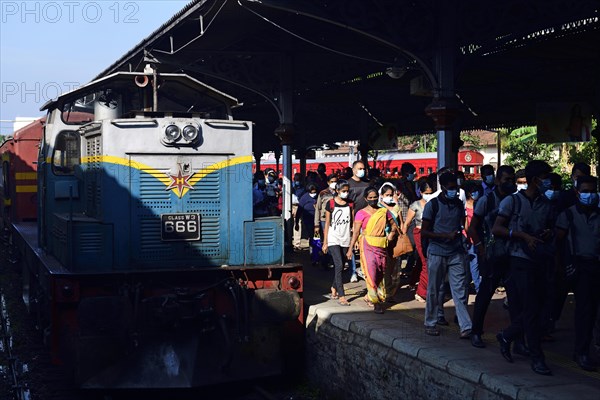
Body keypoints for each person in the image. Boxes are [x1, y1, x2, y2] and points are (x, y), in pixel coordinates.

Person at [492, 160, 554, 376]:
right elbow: (497, 228)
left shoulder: (545, 203)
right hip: (519, 260)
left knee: (538, 308)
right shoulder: (513, 202)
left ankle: (507, 335)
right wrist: (521, 235)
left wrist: (545, 234)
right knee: (530, 307)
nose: (548, 181)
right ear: (535, 179)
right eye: (545, 177)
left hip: (539, 259)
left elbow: (548, 228)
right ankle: (537, 357)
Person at [467, 165, 516, 348]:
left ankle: (516, 339)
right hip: (491, 255)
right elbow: (472, 227)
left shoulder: (515, 200)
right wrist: (480, 248)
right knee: (485, 295)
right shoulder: (486, 201)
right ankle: (476, 332)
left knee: (515, 297)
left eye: (512, 179)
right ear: (497, 181)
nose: (510, 183)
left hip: (510, 255)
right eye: (506, 180)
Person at [555, 175, 599, 371]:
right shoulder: (568, 215)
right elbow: (558, 241)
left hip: (596, 265)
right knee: (584, 311)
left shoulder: (599, 215)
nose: (590, 195)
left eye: (593, 191)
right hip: (579, 268)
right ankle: (581, 352)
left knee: (594, 312)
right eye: (586, 191)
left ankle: (588, 348)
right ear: (577, 193)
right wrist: (560, 266)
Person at [421, 171, 472, 338]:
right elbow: (425, 231)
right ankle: (431, 322)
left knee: (460, 289)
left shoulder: (458, 204)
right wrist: (444, 237)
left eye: (455, 188)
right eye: (450, 188)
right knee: (434, 289)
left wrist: (463, 239)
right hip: (437, 251)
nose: (454, 191)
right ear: (442, 187)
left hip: (456, 251)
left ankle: (466, 326)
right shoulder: (432, 205)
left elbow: (461, 224)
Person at [347, 186, 398, 314]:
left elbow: (393, 224)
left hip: (381, 244)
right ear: (365, 199)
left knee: (380, 273)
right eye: (370, 198)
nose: (373, 200)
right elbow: (356, 232)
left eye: (375, 197)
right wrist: (350, 248)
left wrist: (391, 233)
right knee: (371, 273)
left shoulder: (383, 211)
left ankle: (371, 296)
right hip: (367, 245)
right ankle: (376, 302)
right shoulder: (361, 213)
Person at [322, 180, 354, 306]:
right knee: (339, 265)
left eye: (347, 191)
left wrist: (353, 241)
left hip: (345, 238)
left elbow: (352, 223)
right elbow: (327, 224)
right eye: (343, 191)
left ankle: (334, 286)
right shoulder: (330, 204)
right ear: (337, 191)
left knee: (343, 264)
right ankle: (342, 295)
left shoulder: (350, 204)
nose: (346, 193)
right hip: (333, 238)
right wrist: (325, 242)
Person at [404, 179, 436, 302]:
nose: (428, 195)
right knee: (426, 263)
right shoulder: (415, 205)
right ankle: (421, 292)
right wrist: (404, 238)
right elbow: (406, 223)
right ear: (421, 192)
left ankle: (415, 283)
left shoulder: (433, 204)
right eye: (426, 193)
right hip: (419, 234)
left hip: (431, 234)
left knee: (423, 262)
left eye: (430, 193)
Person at [379, 182, 404, 301]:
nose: (389, 197)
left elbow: (402, 223)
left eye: (391, 194)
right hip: (382, 239)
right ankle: (381, 292)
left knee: (391, 267)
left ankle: (389, 292)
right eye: (387, 194)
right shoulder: (378, 207)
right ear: (382, 195)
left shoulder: (396, 207)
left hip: (394, 241)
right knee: (382, 266)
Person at [347, 160, 370, 282]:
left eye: (363, 168)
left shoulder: (367, 183)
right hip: (354, 218)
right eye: (359, 168)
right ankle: (353, 271)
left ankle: (363, 268)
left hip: (366, 219)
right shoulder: (348, 184)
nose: (362, 171)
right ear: (353, 170)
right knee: (352, 245)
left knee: (363, 245)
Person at [314, 174, 338, 267]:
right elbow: (318, 209)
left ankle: (334, 260)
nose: (334, 183)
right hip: (324, 220)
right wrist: (316, 225)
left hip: (336, 220)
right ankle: (325, 261)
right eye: (332, 182)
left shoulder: (339, 192)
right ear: (328, 182)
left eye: (335, 181)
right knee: (325, 240)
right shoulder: (322, 193)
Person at [465, 181, 483, 293]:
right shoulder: (464, 206)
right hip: (468, 238)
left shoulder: (480, 204)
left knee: (475, 264)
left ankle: (477, 286)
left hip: (478, 237)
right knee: (472, 264)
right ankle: (477, 287)